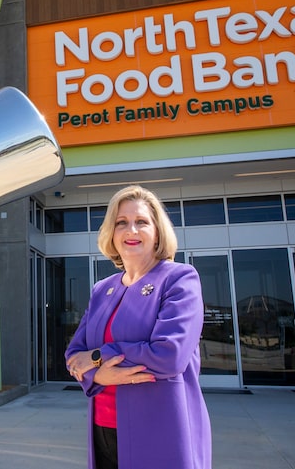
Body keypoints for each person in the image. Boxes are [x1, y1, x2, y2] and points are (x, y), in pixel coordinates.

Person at [65, 185, 211, 469]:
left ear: (157, 231)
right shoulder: (101, 290)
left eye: (141, 222)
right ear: (111, 232)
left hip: (159, 430)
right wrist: (99, 377)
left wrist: (99, 357)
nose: (131, 230)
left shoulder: (179, 279)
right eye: (122, 223)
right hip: (103, 430)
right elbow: (73, 355)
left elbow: (170, 355)